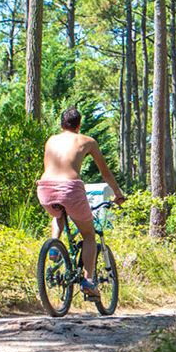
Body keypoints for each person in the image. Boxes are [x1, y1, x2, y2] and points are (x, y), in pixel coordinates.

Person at [36, 106, 127, 297]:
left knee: (57, 212)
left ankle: (54, 246)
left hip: (44, 188)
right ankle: (88, 281)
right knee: (89, 236)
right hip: (70, 188)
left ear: (61, 124)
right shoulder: (87, 141)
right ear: (79, 125)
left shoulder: (51, 140)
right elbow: (104, 172)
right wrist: (117, 193)